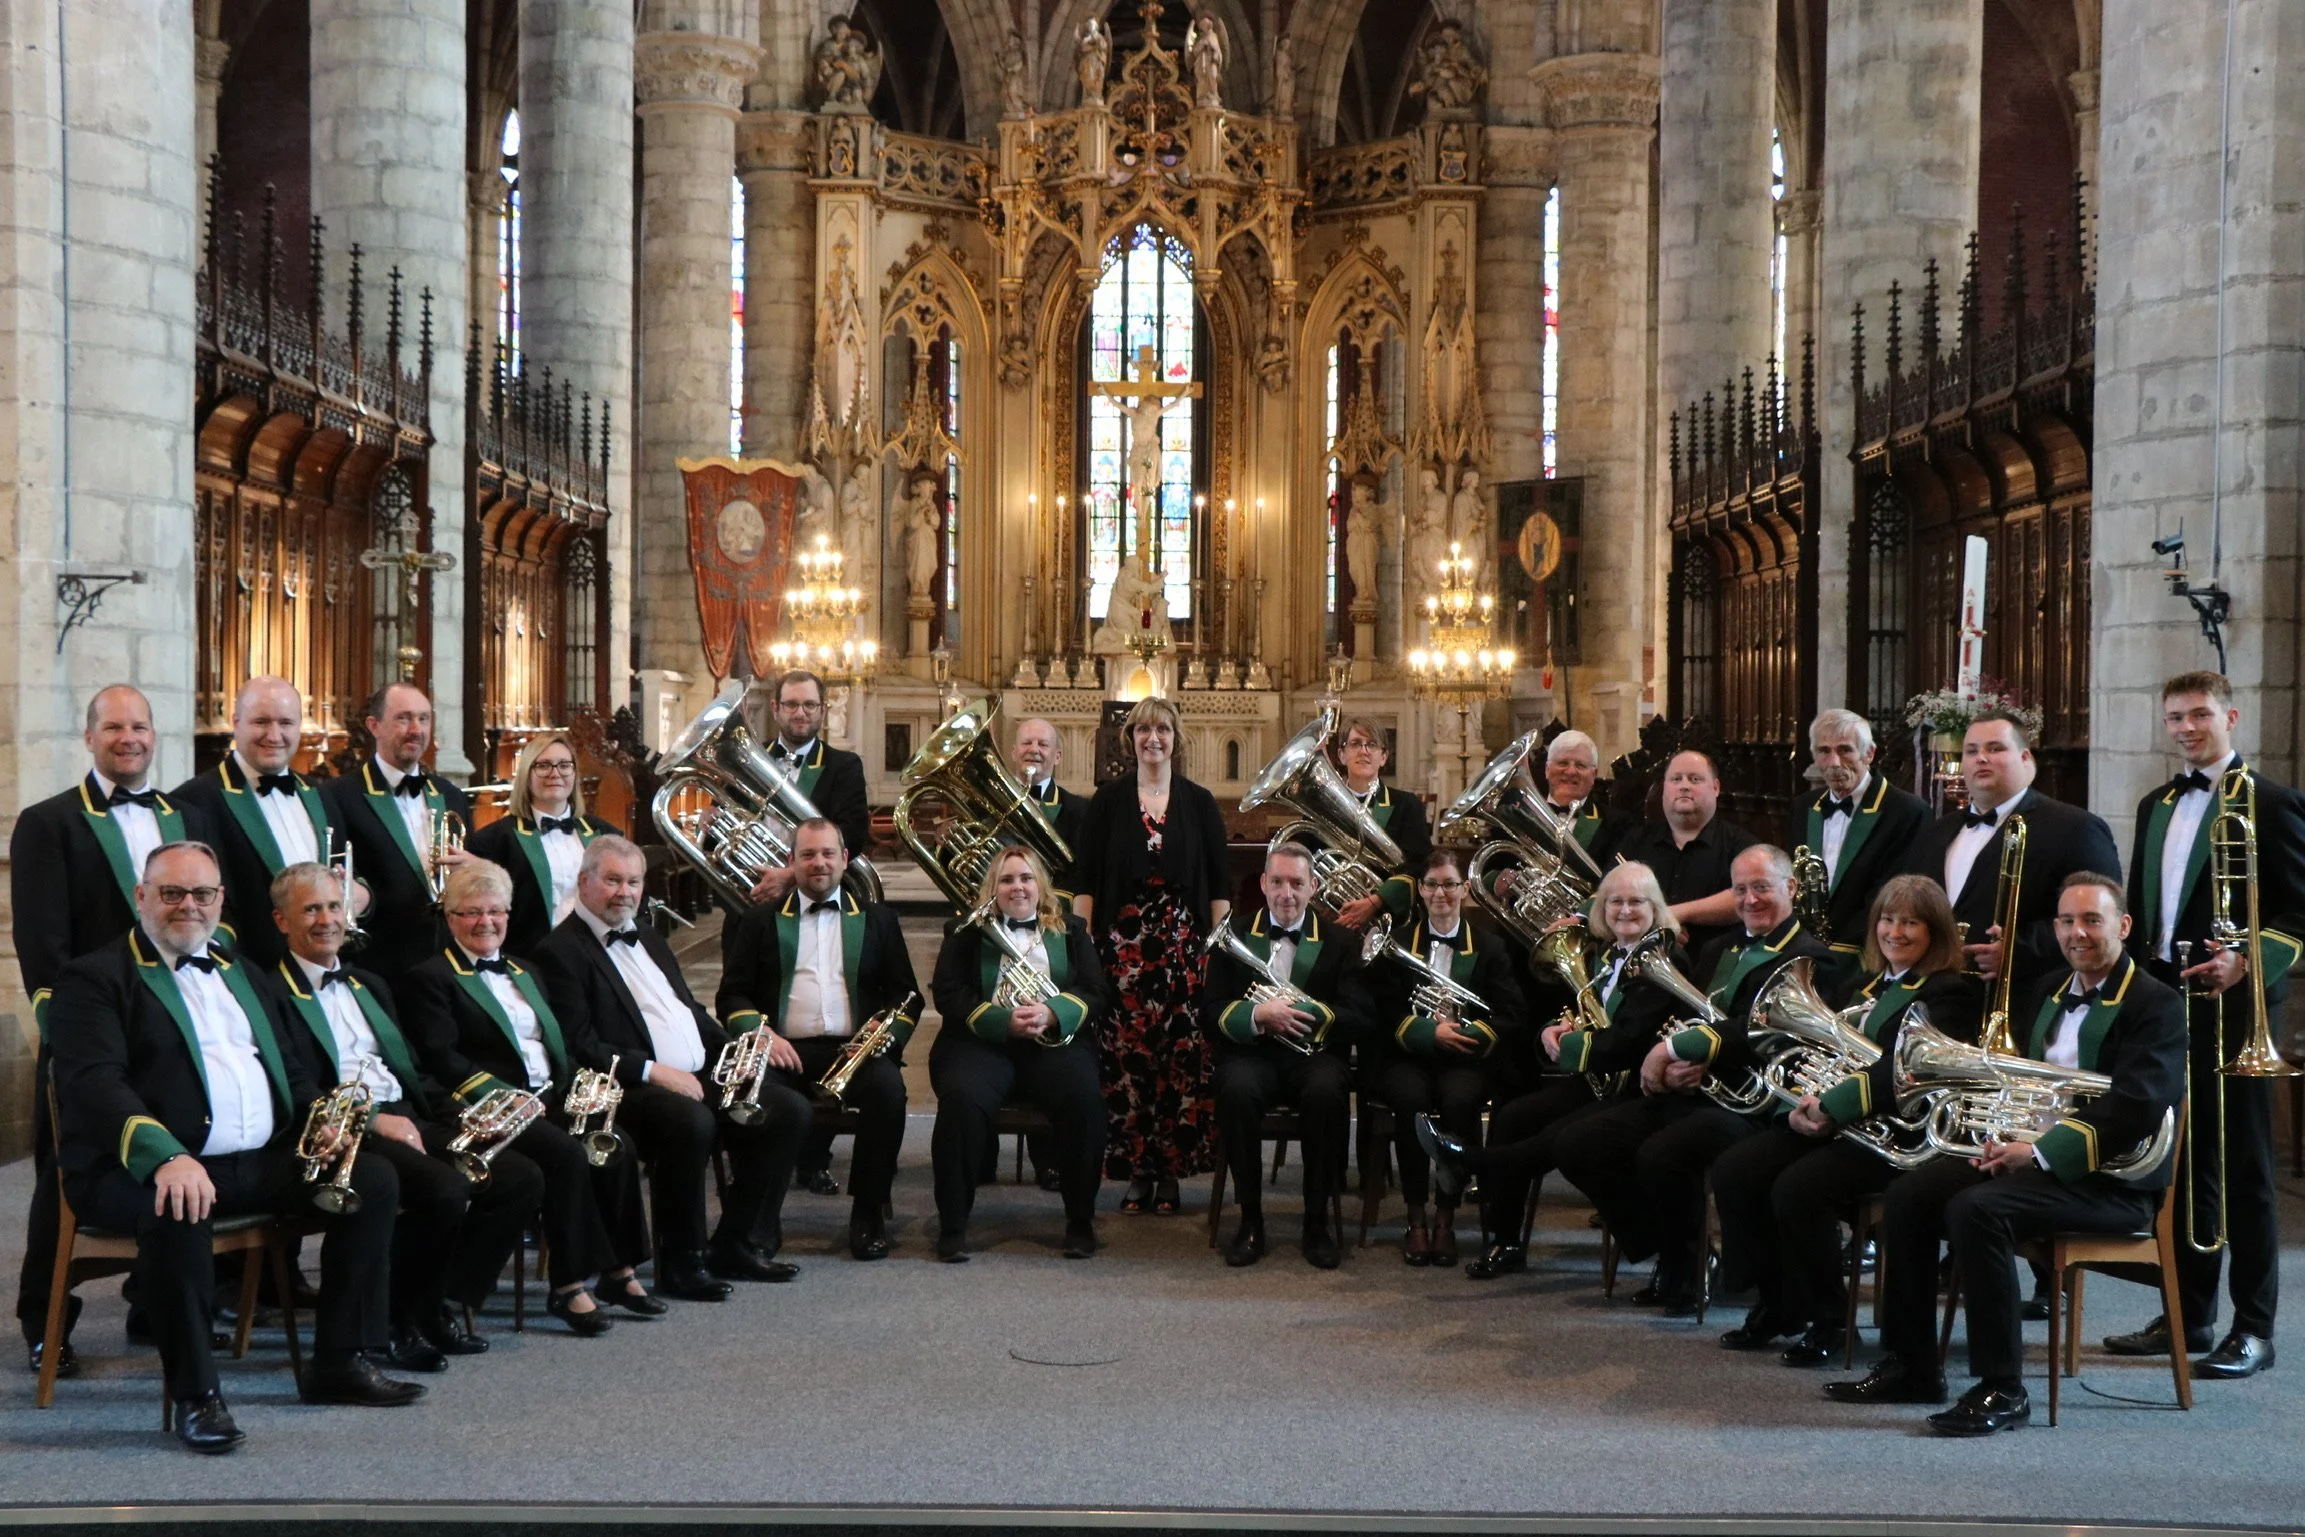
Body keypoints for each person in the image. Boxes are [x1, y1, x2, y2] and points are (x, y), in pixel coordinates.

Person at [49, 842, 420, 1453]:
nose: (188, 906)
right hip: (138, 1169)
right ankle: (198, 1396)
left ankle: (339, 1361)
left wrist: (323, 1122)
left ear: (220, 900)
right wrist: (166, 1156)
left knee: (372, 1180)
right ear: (142, 897)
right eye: (172, 893)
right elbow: (94, 1084)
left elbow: (289, 1070)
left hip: (254, 1161)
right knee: (179, 1206)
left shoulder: (240, 971)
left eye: (202, 894)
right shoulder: (95, 977)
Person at [1826, 873, 2186, 1435]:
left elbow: (2136, 1106)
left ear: (2123, 926)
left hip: (2110, 1183)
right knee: (1910, 1193)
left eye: (2091, 920)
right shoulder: (2048, 989)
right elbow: (2017, 1081)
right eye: (2066, 921)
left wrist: (2038, 1153)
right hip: (2035, 1164)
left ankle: (2003, 1387)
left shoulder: (2156, 1002)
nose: (2077, 933)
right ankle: (1913, 1366)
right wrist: (1998, 1135)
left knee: (1979, 1209)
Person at [2106, 670, 2305, 1379]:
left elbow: (2299, 913)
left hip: (2236, 1009)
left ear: (2230, 717)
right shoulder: (2155, 803)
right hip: (2166, 1001)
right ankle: (2188, 1314)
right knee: (2183, 1166)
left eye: (2199, 715)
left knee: (2245, 1170)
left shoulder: (2271, 801)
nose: (2186, 728)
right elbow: (2145, 914)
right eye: (2174, 718)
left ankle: (2254, 1328)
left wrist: (2244, 962)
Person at [266, 861, 541, 1369]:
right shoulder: (270, 994)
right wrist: (372, 1118)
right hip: (343, 1129)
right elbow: (294, 1084)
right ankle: (397, 1321)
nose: (327, 920)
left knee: (516, 1176)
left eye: (334, 907)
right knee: (443, 1188)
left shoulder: (369, 983)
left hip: (406, 1113)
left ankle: (439, 1300)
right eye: (311, 910)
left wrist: (464, 1113)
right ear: (282, 921)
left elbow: (410, 1069)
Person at [13, 684, 209, 1377]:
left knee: (179, 1149)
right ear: (90, 737)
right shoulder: (49, 822)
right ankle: (44, 1322)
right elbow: (43, 947)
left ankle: (154, 1304)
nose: (129, 738)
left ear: (155, 736)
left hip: (174, 1025)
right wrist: (69, 1038)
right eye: (115, 727)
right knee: (61, 1176)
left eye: (140, 727)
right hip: (90, 1025)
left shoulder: (184, 815)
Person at [1707, 875, 1981, 1365]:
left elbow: (1903, 1072)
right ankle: (1777, 1302)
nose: (1894, 932)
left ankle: (1829, 1319)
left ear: (1935, 931)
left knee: (1798, 1188)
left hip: (1901, 1134)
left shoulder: (1950, 993)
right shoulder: (1863, 985)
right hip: (1840, 1122)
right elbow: (1817, 1052)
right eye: (1887, 919)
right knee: (1737, 1169)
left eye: (1910, 922)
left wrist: (1831, 1109)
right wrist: (1799, 1107)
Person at [1552, 845, 1827, 1311]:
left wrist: (1682, 1052)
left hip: (1756, 1102)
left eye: (1762, 887)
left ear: (1791, 888)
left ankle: (1686, 1265)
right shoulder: (1719, 948)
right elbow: (1686, 1017)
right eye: (1740, 889)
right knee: (1579, 1144)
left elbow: (1764, 1032)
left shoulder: (1811, 956)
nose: (1750, 899)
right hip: (1696, 1089)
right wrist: (1674, 1064)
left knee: (1661, 1154)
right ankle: (1671, 1250)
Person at [532, 836, 809, 1291]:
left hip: (695, 1074)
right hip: (624, 1087)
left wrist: (734, 1050)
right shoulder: (560, 951)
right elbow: (580, 1046)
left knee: (787, 1109)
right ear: (584, 882)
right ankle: (682, 1261)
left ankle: (739, 1243)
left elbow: (689, 1011)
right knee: (691, 1121)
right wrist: (653, 1071)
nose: (624, 892)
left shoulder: (648, 935)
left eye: (634, 882)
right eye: (613, 880)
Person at [399, 860, 654, 1335]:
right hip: (491, 1109)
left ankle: (620, 1270)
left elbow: (553, 1044)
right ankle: (569, 1285)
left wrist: (584, 1087)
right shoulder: (430, 977)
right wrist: (506, 1098)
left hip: (548, 1096)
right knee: (564, 1154)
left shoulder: (525, 970)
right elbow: (442, 1059)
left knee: (614, 1142)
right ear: (450, 918)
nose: (486, 922)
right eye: (472, 912)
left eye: (496, 911)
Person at [1421, 861, 1687, 1279]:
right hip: (1599, 1080)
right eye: (1614, 901)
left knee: (1564, 1138)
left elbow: (1628, 1039)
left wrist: (1572, 1046)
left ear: (1655, 908)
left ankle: (1471, 1162)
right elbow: (1585, 1012)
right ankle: (1505, 1241)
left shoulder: (1663, 960)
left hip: (1638, 1087)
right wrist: (1554, 1030)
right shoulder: (1606, 955)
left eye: (1636, 901)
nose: (1624, 910)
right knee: (1513, 1117)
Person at [717, 817, 923, 1260]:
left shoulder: (878, 920)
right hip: (783, 1050)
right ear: (791, 862)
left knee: (889, 1092)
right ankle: (759, 1218)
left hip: (854, 1051)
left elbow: (906, 995)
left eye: (828, 853)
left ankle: (867, 1212)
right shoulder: (758, 920)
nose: (819, 863)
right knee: (754, 1097)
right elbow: (732, 994)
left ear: (845, 859)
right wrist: (762, 1034)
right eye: (808, 854)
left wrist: (882, 1038)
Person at [1069, 696, 1231, 1216]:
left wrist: (1218, 952)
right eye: (1143, 730)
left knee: (1180, 1061)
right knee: (1126, 1061)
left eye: (1162, 729)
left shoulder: (1199, 802)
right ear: (1130, 739)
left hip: (1184, 953)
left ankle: (1170, 1173)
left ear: (1175, 738)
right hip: (1122, 955)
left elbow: (1220, 885)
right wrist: (1082, 948)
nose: (1152, 738)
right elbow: (1085, 880)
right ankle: (1137, 1172)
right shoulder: (1107, 801)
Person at [927, 846, 1110, 1261]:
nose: (1018, 887)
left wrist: (1053, 1012)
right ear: (992, 888)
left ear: (1040, 884)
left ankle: (1080, 1221)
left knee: (1085, 1100)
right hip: (981, 1044)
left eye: (1026, 878)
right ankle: (953, 1224)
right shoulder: (966, 930)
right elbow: (950, 994)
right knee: (961, 1100)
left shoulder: (1071, 929)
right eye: (1006, 880)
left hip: (1052, 1044)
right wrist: (1001, 1021)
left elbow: (1096, 991)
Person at [1205, 842, 1373, 1269]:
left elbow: (1360, 1014)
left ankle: (1316, 1221)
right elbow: (1209, 1011)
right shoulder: (1234, 933)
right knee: (1236, 1090)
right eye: (1277, 882)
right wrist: (1259, 1015)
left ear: (1313, 887)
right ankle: (1250, 1219)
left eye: (1297, 883)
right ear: (1263, 883)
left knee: (1326, 1093)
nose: (1286, 894)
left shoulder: (1340, 940)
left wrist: (1303, 1013)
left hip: (1315, 1056)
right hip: (1252, 1053)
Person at [1365, 847, 1525, 1266]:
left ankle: (1445, 1219)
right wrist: (1428, 1032)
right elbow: (1382, 1010)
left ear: (1465, 889)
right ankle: (1416, 1218)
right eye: (1432, 885)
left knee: (1460, 1101)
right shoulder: (1398, 944)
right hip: (1408, 1056)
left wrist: (1465, 1034)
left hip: (1464, 1058)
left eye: (1450, 885)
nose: (1441, 893)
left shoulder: (1489, 946)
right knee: (1411, 1102)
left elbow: (1511, 1013)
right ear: (1420, 890)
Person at [1901, 708, 2121, 995]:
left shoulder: (2075, 827)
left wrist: (2019, 952)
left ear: (2025, 757)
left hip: (2027, 995)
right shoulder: (1936, 832)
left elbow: (2104, 916)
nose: (1981, 758)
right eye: (1971, 751)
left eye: (1995, 749)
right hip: (1935, 993)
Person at [169, 676, 351, 971]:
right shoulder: (193, 801)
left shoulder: (318, 794)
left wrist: (359, 896)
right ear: (236, 723)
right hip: (248, 975)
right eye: (261, 722)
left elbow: (345, 866)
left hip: (324, 972)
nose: (274, 735)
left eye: (286, 723)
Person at [321, 682, 474, 979]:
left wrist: (472, 868)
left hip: (448, 962)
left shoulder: (451, 795)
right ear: (374, 726)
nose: (416, 729)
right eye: (403, 718)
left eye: (423, 719)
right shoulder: (338, 796)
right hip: (378, 965)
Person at [1795, 709, 1931, 991]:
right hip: (1806, 954)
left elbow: (1894, 893)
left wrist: (1834, 956)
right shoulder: (1804, 806)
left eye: (1845, 750)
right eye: (1824, 751)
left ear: (1869, 754)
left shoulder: (1907, 811)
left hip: (1870, 958)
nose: (1834, 762)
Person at [465, 732, 623, 958]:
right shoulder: (494, 841)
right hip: (533, 958)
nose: (555, 773)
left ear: (574, 774)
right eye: (543, 765)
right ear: (526, 775)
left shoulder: (605, 834)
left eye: (564, 765)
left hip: (601, 953)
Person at [1610, 748, 1758, 956]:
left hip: (1718, 965)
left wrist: (1672, 915)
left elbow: (1748, 896)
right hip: (1638, 962)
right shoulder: (1635, 841)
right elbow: (1609, 896)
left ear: (1715, 788)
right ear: (1664, 788)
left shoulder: (1742, 844)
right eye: (1676, 779)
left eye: (1695, 779)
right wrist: (1652, 926)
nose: (1684, 786)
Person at [1325, 716, 1433, 931]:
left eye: (1372, 745)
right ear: (1341, 755)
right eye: (1355, 744)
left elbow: (1421, 865)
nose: (1364, 751)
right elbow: (1305, 859)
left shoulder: (1406, 805)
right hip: (1335, 919)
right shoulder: (1324, 805)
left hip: (1391, 922)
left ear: (1383, 757)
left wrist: (1376, 902)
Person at [1013, 715, 1090, 869]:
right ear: (1014, 753)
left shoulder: (1080, 810)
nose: (1034, 749)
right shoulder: (985, 802)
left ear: (1057, 757)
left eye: (1043, 744)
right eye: (1027, 743)